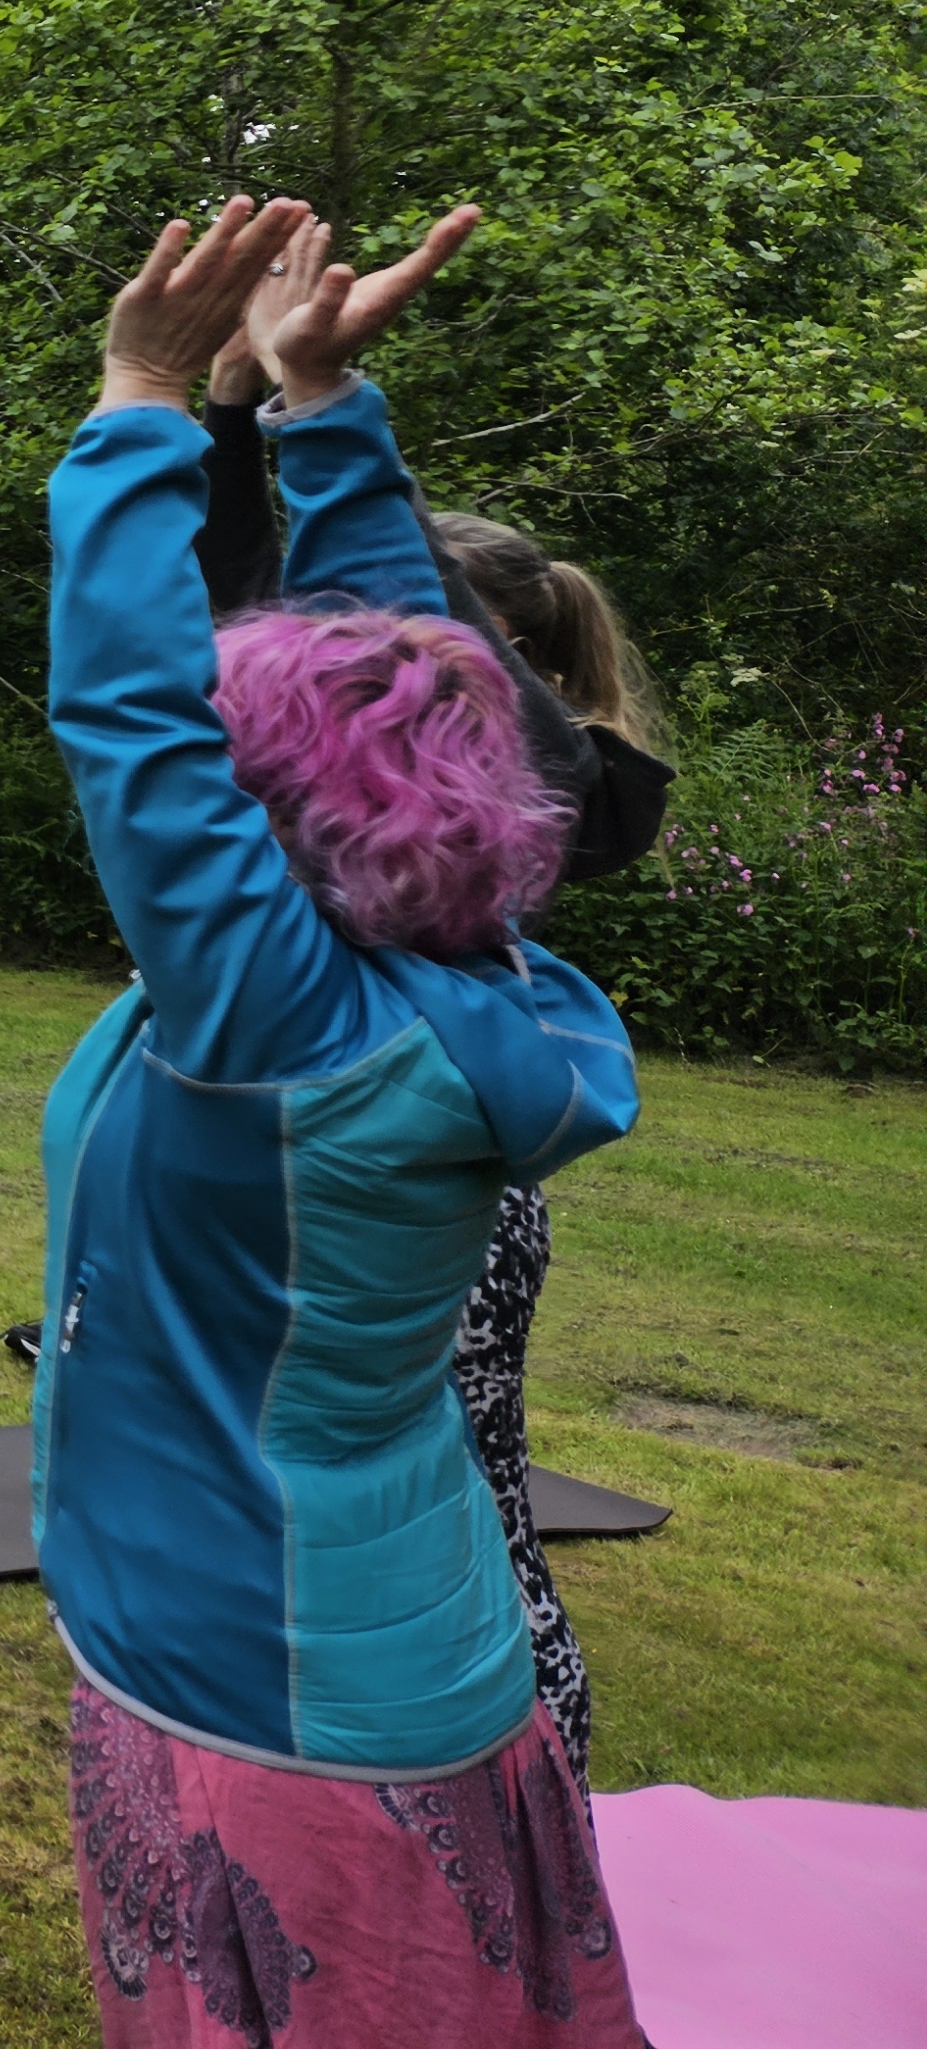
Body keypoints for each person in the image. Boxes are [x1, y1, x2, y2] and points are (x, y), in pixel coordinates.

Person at [40, 197, 641, 2049]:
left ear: (276, 812)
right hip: (401, 1655)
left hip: (263, 1697)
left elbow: (129, 716)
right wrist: (319, 408)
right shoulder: (479, 970)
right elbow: (418, 681)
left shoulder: (279, 1033)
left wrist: (143, 401)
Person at [219, 215, 673, 1785]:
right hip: (368, 1141)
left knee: (448, 1505)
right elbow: (237, 595)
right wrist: (245, 408)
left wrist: (314, 416)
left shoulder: (547, 788)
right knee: (386, 1502)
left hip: (409, 1167)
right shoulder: (476, 774)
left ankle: (522, 1787)